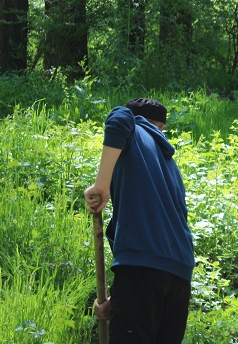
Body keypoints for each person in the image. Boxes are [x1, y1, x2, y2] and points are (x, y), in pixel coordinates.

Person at [84, 98, 194, 343]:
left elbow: (119, 118)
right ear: (162, 127)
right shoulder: (171, 166)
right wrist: (117, 301)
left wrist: (102, 184)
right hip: (179, 275)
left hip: (141, 269)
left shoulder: (132, 127)